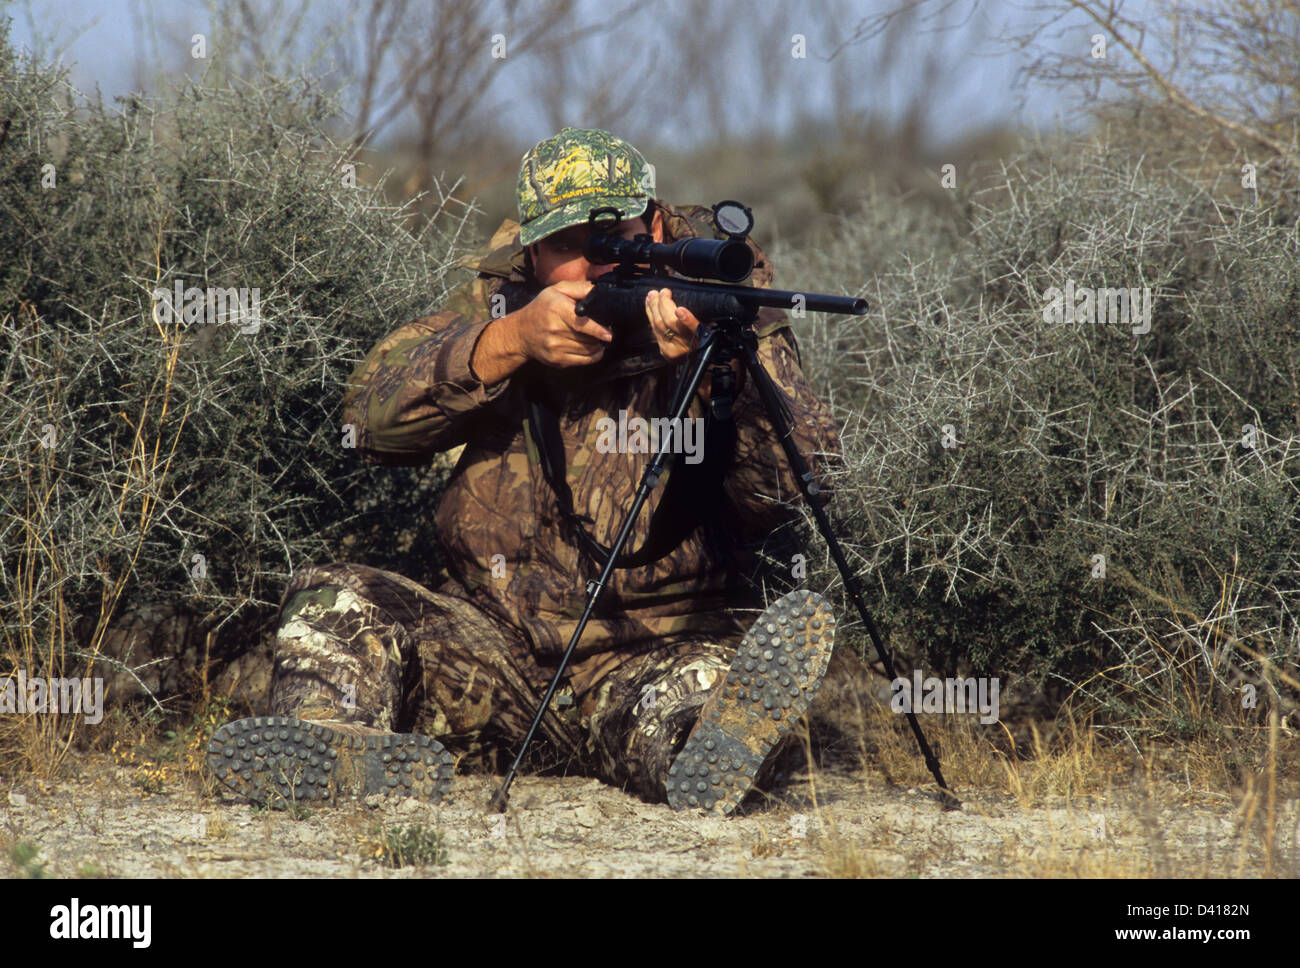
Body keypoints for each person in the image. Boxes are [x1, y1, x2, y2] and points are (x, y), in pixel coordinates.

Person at [208, 127, 840, 814]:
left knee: (705, 698)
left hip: (651, 651)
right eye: (568, 248)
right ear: (531, 252)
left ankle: (704, 753)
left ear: (654, 224)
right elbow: (364, 422)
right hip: (488, 646)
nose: (595, 266)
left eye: (618, 239)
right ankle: (330, 747)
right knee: (336, 600)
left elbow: (793, 488)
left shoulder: (720, 299)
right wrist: (505, 345)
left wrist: (712, 368)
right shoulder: (501, 302)